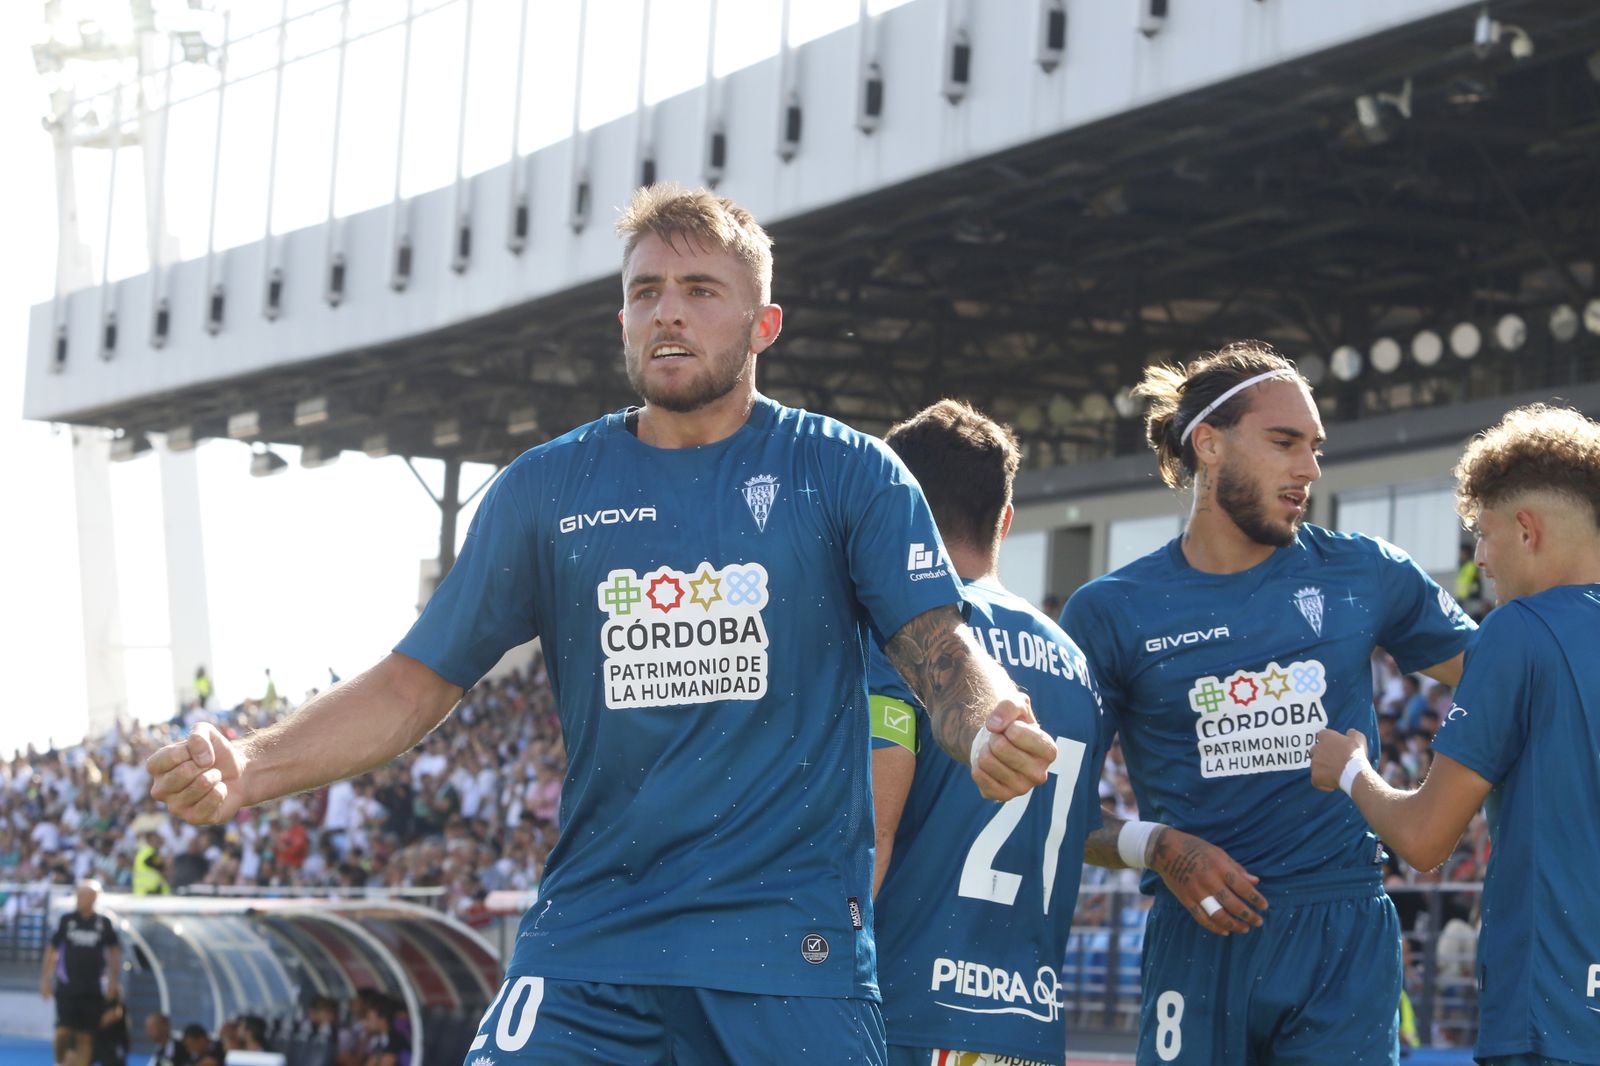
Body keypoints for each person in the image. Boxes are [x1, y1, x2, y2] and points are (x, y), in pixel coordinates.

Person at [146, 183, 1057, 1064]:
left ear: (763, 324)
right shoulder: (547, 489)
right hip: (589, 948)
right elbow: (411, 684)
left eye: (702, 292)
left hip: (787, 961)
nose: (669, 312)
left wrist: (986, 720)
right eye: (645, 292)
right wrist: (252, 766)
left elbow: (940, 647)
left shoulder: (846, 472)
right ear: (621, 319)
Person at [1061, 342, 1474, 1065]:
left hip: (1341, 932)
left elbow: (1504, 678)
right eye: (1284, 443)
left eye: (1314, 448)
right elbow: (1056, 807)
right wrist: (1155, 845)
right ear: (1209, 444)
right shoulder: (1111, 611)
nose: (1309, 469)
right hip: (1199, 932)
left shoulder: (1363, 572)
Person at [869, 401, 1261, 1066]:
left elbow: (870, 832)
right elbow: (1070, 820)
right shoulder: (1073, 661)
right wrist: (1156, 842)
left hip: (903, 1012)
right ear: (1006, 520)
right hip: (1027, 1027)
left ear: (894, 510)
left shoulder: (910, 637)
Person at [1311, 403, 1600, 1066]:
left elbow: (1424, 839)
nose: (1480, 560)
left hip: (1555, 1016)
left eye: (1483, 534)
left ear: (1526, 529)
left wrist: (1352, 768)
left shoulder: (1521, 629)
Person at [40, 880, 121, 1066]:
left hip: (92, 988)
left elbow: (114, 953)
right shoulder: (67, 920)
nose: (79, 899)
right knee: (62, 1030)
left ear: (93, 898)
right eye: (78, 895)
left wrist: (113, 982)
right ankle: (59, 1063)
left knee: (86, 1035)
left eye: (84, 895)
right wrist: (46, 979)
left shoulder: (103, 923)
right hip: (68, 986)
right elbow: (52, 950)